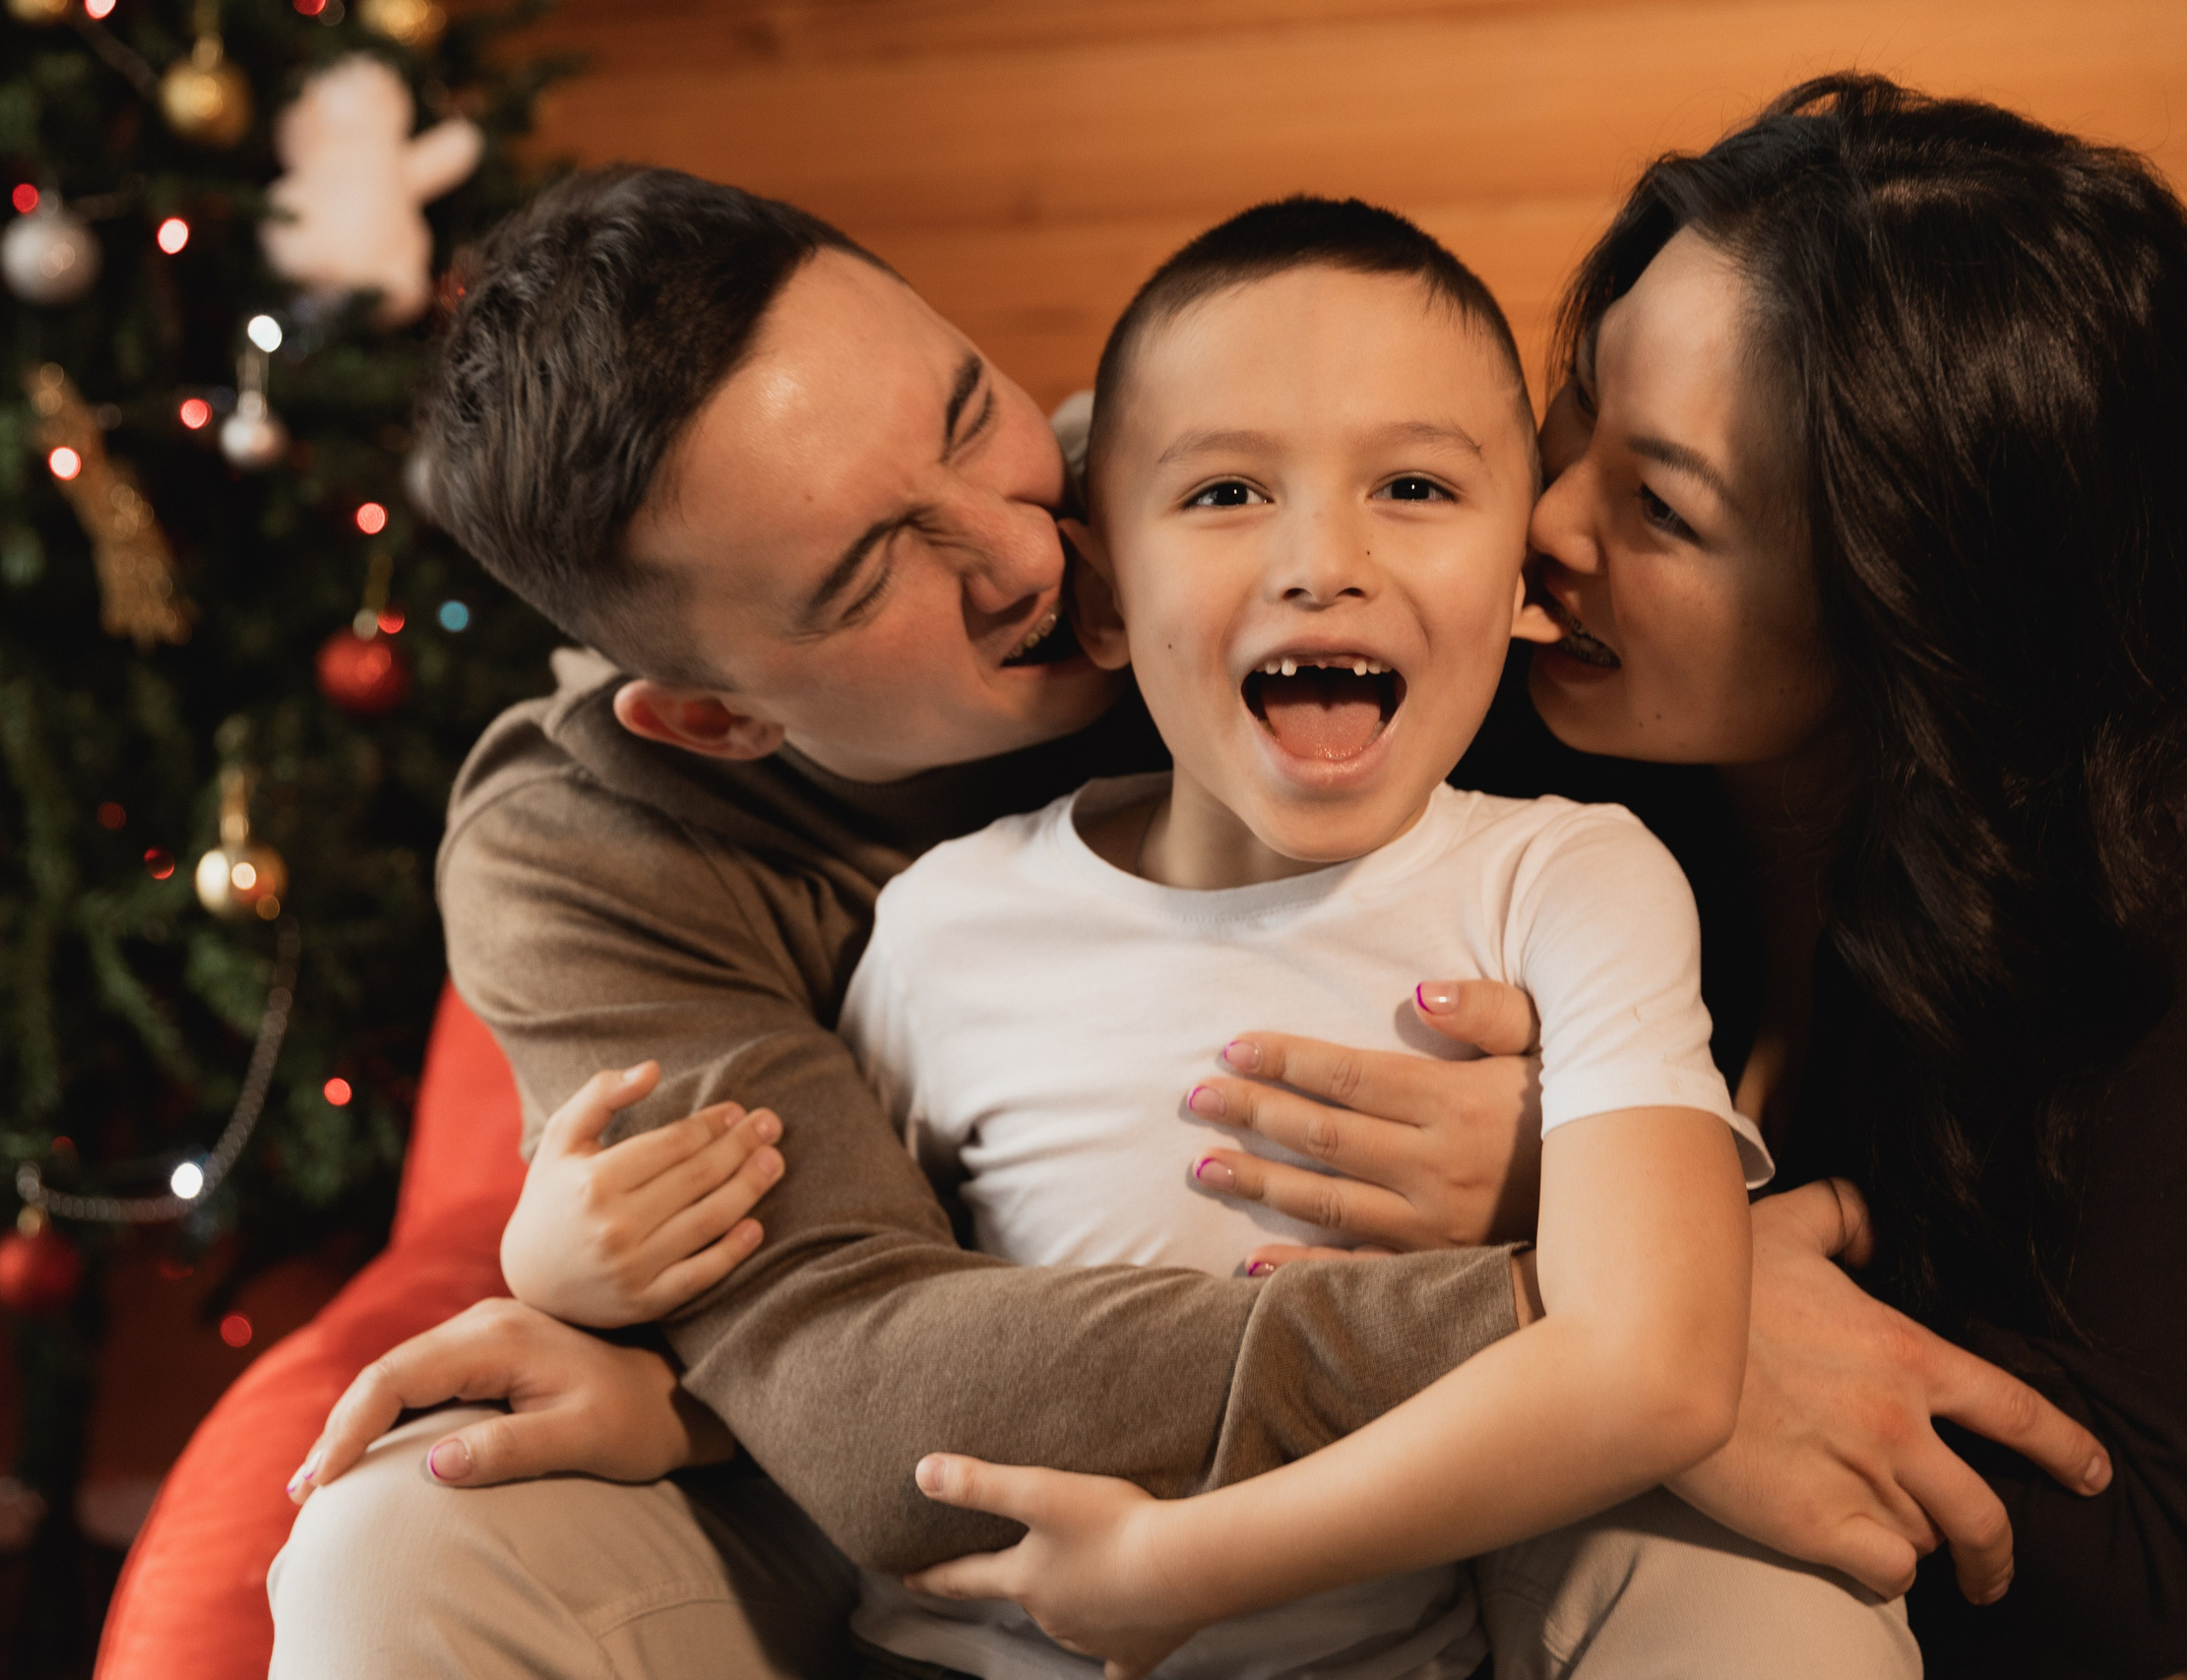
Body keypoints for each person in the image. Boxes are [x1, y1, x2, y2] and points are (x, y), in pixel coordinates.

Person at [265, 141, 2111, 1678]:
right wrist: (1603, 1304)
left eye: (973, 418)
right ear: (717, 717)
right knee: (387, 1551)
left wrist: (1606, 1226)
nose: (1026, 549)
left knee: (1749, 1569)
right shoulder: (602, 861)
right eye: (868, 573)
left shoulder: (1256, 517)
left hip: (1449, 1533)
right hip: (960, 1534)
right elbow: (851, 1378)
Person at [913, 77, 2187, 1680]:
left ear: (1903, 610)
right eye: (1575, 409)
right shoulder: (1425, 710)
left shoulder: (2124, 930)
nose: (1545, 522)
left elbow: (2145, 1567)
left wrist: (1623, 1252)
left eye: (1661, 505)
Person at [841, 194, 1784, 1679]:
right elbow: (843, 1314)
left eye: (1414, 485)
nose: (1323, 560)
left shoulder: (1570, 882)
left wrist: (1172, 1570)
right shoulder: (945, 925)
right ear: (1105, 592)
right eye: (1226, 493)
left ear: (1520, 573)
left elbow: (1654, 1368)